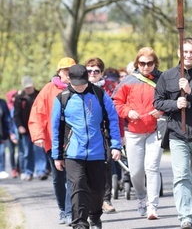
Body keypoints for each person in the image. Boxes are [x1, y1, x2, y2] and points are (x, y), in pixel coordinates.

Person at [154, 37, 192, 229]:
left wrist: (190, 93)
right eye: (185, 52)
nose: (188, 55)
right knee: (181, 176)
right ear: (179, 53)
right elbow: (157, 102)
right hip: (177, 134)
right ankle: (185, 217)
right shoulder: (167, 76)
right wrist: (175, 104)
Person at [51, 64, 122, 229]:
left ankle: (95, 217)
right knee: (77, 186)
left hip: (97, 151)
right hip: (73, 152)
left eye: (82, 83)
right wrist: (57, 155)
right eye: (76, 84)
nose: (80, 87)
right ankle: (80, 223)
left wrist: (116, 145)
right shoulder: (62, 98)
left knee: (97, 189)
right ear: (69, 80)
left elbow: (112, 119)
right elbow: (55, 129)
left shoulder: (99, 94)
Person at [113, 47, 163, 220]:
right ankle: (141, 197)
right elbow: (116, 102)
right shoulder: (127, 81)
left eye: (150, 63)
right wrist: (127, 112)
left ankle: (152, 206)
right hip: (133, 131)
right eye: (142, 63)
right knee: (135, 172)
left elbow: (170, 99)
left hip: (154, 130)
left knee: (152, 167)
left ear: (154, 64)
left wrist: (161, 111)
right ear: (137, 64)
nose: (146, 66)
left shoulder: (162, 79)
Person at [28, 57, 76, 225]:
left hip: (73, 141)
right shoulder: (48, 89)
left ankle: (70, 212)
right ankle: (63, 209)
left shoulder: (80, 87)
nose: (69, 74)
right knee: (58, 178)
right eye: (65, 71)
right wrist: (38, 135)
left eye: (72, 70)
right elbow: (37, 114)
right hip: (53, 141)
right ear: (59, 72)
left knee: (72, 177)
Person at [84, 58, 117, 213]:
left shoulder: (110, 88)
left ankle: (106, 199)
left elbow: (115, 115)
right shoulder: (79, 88)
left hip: (106, 133)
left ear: (102, 73)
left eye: (96, 71)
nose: (92, 74)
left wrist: (119, 138)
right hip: (86, 134)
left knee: (107, 165)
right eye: (89, 70)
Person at [14, 76, 48, 181]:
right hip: (25, 129)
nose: (28, 89)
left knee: (39, 150)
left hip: (38, 128)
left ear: (33, 85)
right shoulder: (20, 98)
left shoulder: (39, 95)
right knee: (27, 152)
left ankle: (41, 171)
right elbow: (16, 114)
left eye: (30, 87)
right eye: (26, 88)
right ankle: (28, 171)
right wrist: (19, 126)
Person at [0, 95, 14, 179]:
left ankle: (1, 170)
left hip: (2, 134)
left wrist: (9, 132)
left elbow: (7, 118)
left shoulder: (2, 102)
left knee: (1, 152)